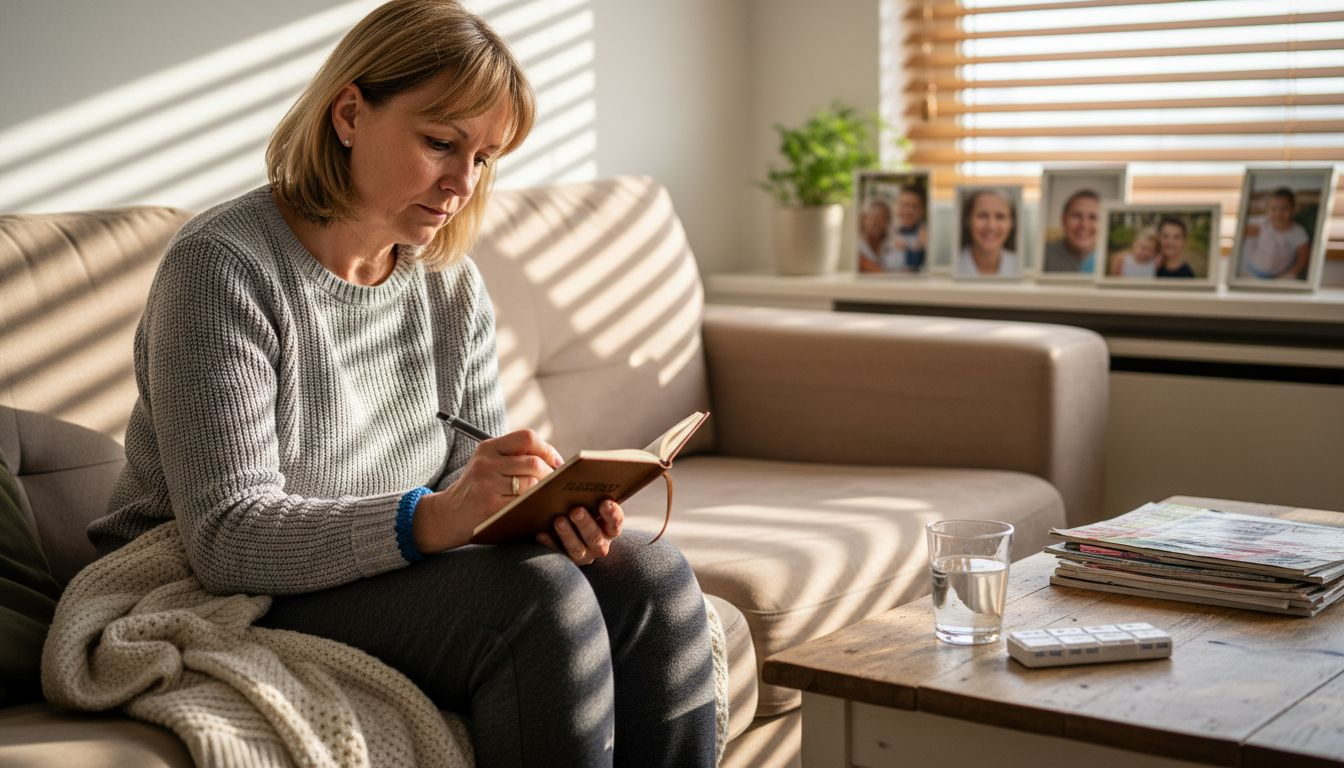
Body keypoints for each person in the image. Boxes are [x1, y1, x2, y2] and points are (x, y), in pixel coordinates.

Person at [85, 2, 718, 766]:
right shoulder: (222, 268)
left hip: (382, 568)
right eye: (441, 143)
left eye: (483, 158)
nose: (461, 182)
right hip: (222, 586)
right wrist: (437, 517)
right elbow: (227, 537)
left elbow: (459, 479)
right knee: (537, 603)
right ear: (350, 114)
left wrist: (528, 512)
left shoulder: (448, 286)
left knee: (651, 577)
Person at [1239, 187, 1311, 280]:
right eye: (1273, 209)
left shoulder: (1298, 232)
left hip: (1279, 276)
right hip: (1251, 271)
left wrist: (1289, 275)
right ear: (1267, 210)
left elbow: (1303, 261)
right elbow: (1240, 232)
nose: (1278, 213)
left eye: (1284, 209)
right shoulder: (1262, 224)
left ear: (1293, 209)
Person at [956, 188, 1020, 278]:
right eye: (982, 216)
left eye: (1000, 217)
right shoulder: (951, 266)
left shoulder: (1021, 267)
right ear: (967, 220)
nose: (991, 226)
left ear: (1012, 223)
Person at [1043, 189, 1100, 274]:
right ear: (1063, 220)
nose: (1084, 224)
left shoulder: (1111, 262)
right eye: (1076, 216)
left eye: (1093, 217)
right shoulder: (1043, 255)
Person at [891, 185, 929, 273]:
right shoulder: (887, 230)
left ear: (922, 210)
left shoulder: (927, 235)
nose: (908, 211)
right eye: (904, 205)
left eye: (914, 206)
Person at [858, 197, 894, 273]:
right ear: (863, 220)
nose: (876, 222)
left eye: (882, 218)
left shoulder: (888, 246)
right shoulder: (858, 249)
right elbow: (881, 274)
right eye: (872, 217)